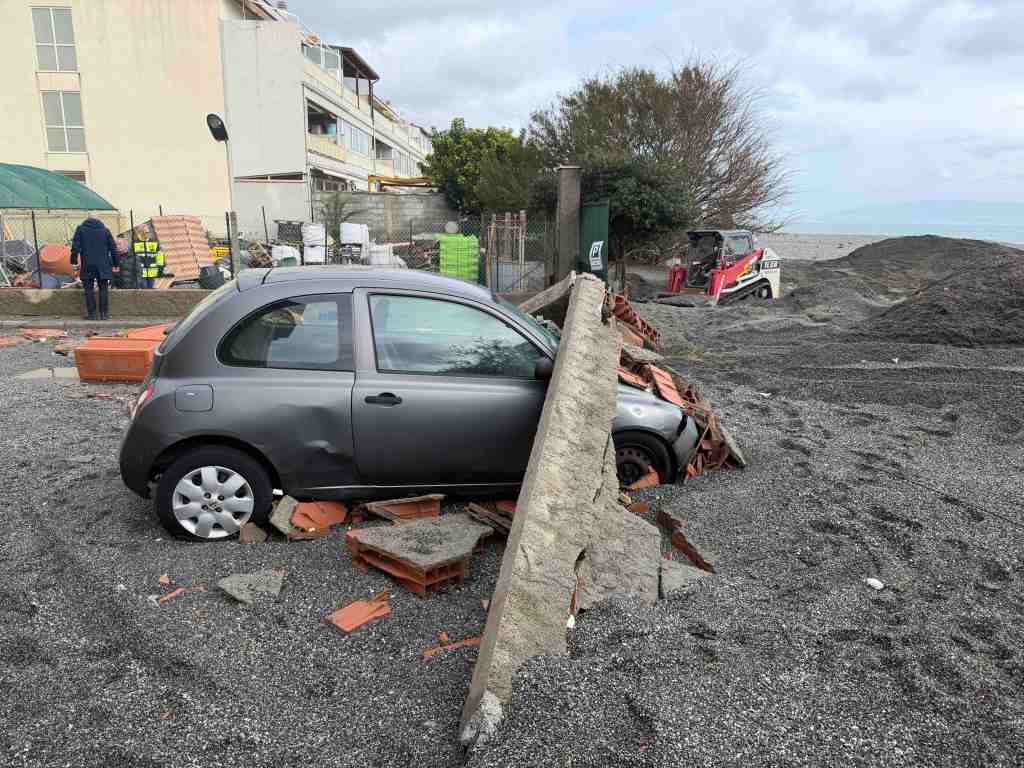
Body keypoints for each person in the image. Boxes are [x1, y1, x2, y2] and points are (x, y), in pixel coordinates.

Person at [70, 213, 120, 320]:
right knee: (103, 289)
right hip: (103, 265)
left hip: (87, 264)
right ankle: (104, 314)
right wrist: (116, 263)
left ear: (87, 219)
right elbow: (113, 248)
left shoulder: (81, 230)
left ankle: (92, 315)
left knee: (88, 290)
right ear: (98, 219)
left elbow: (75, 247)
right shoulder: (105, 231)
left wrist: (73, 261)